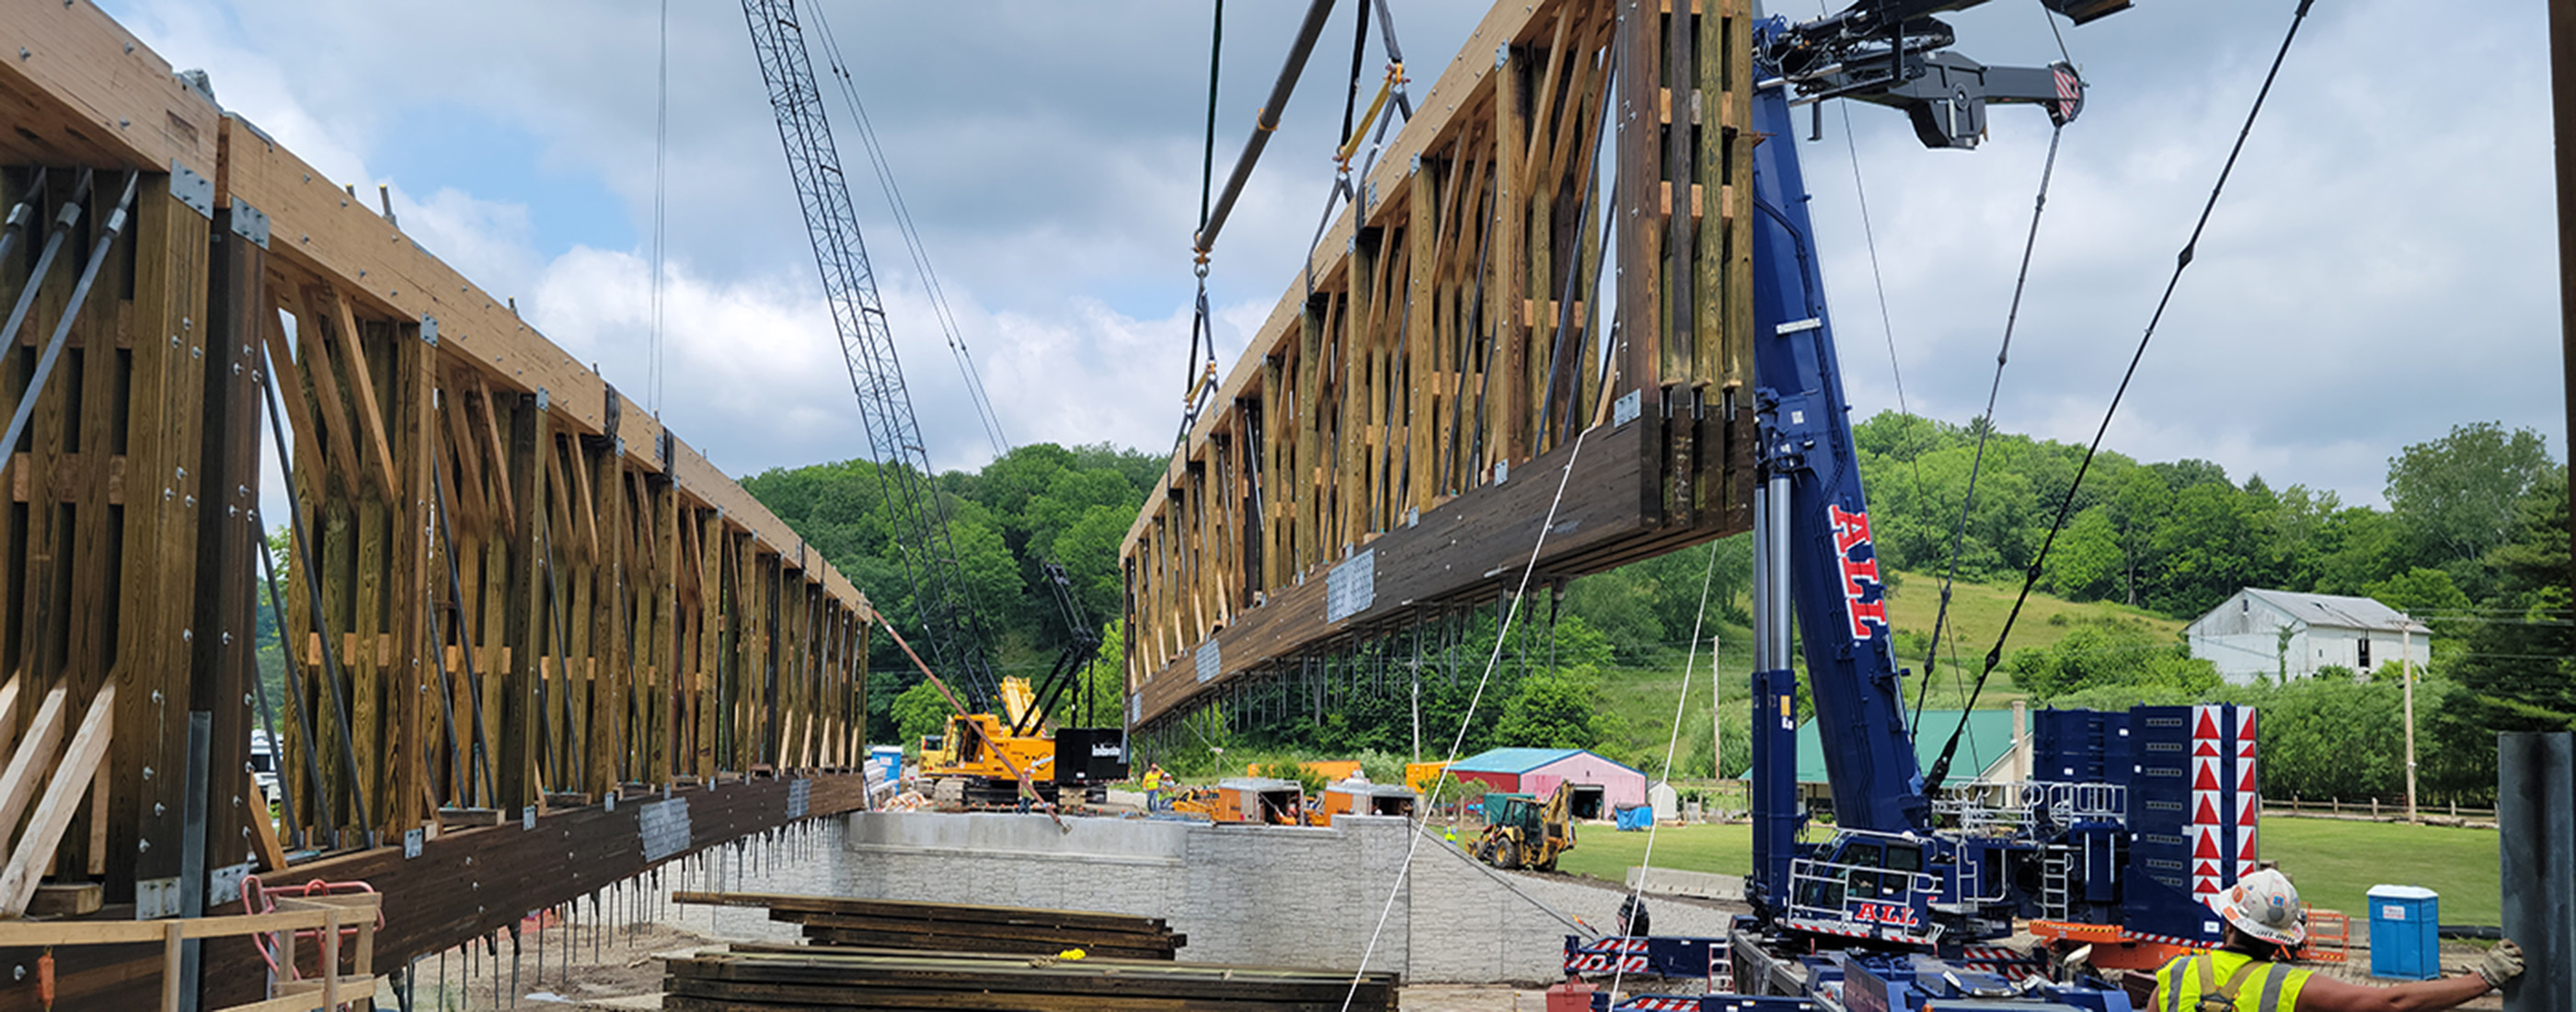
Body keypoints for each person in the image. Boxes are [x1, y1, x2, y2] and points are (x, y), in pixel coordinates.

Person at [2150, 868, 2524, 1012]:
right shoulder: (2291, 986)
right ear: (2283, 939)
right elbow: (2391, 1002)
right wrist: (2483, 980)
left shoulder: (2176, 975)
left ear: (2227, 920)